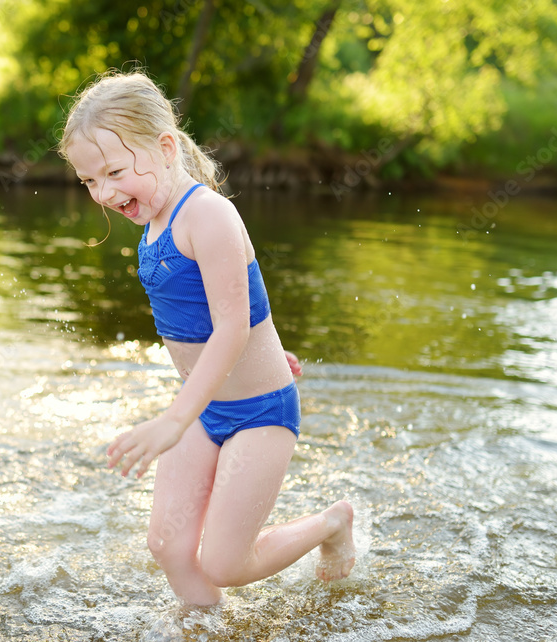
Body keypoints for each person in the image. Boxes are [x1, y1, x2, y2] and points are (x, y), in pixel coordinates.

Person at [58, 71, 355, 607]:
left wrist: (175, 417)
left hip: (259, 413)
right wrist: (264, 348)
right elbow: (218, 310)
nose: (104, 193)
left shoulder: (209, 214)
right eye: (89, 182)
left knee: (223, 563)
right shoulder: (153, 220)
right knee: (167, 545)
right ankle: (208, 641)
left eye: (115, 172)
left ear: (165, 147)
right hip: (206, 408)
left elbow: (233, 325)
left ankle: (333, 523)